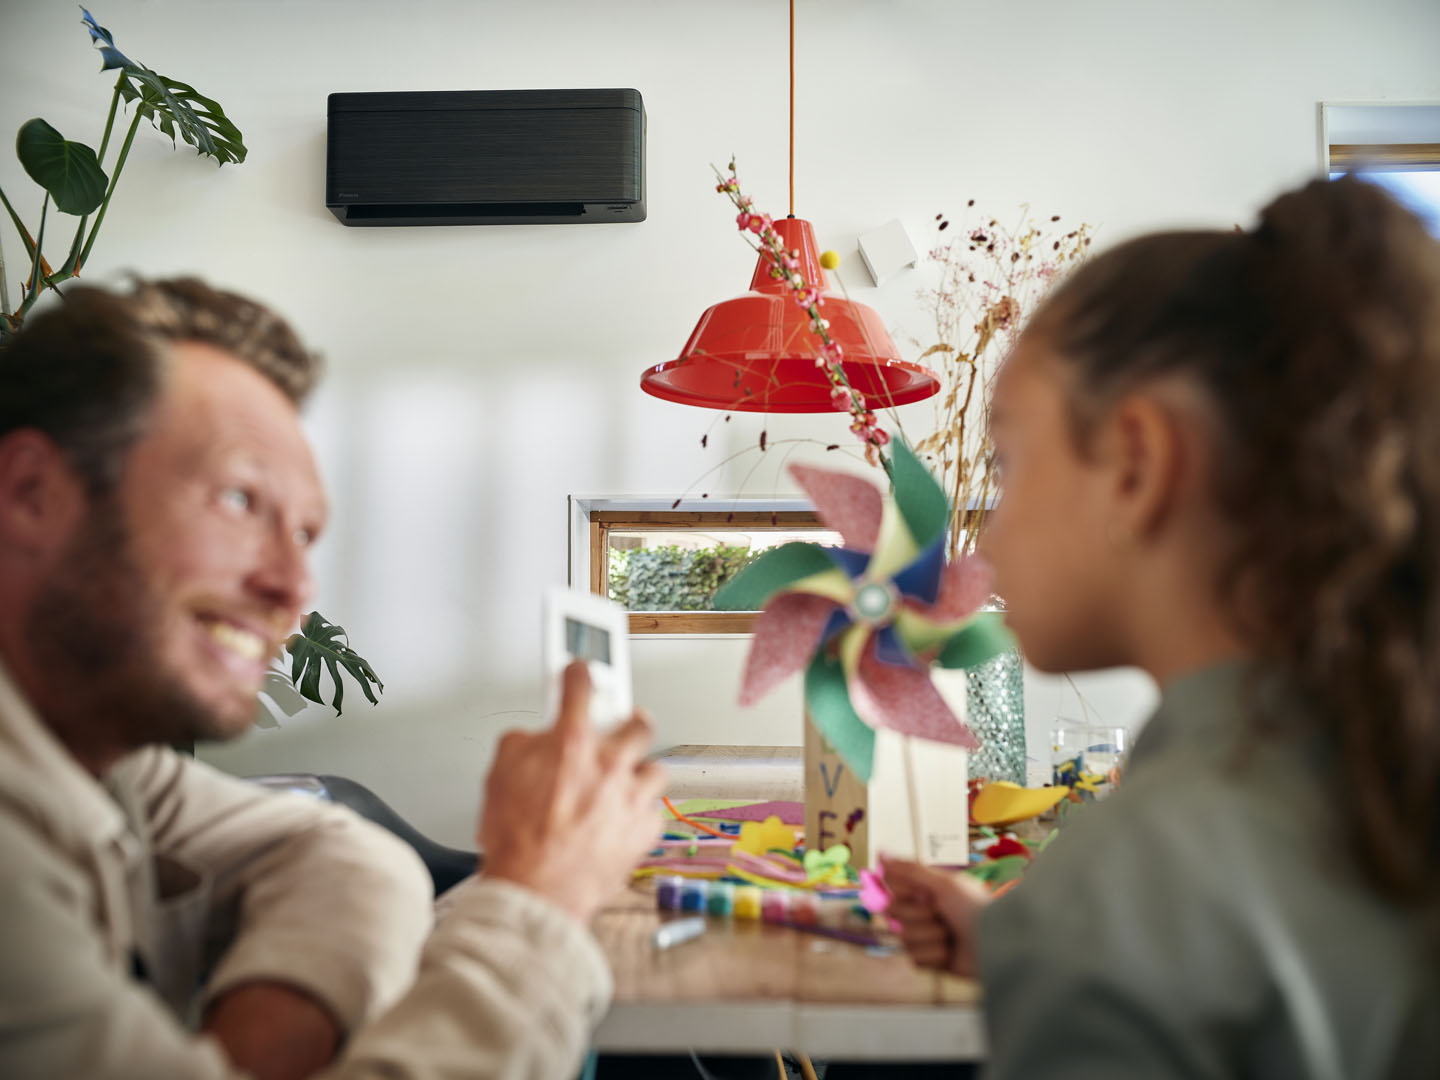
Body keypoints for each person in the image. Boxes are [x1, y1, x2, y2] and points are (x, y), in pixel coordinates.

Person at [0, 278, 666, 1080]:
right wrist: (538, 905)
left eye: (307, 532)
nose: (294, 585)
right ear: (31, 493)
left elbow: (348, 849)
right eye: (241, 500)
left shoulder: (107, 759)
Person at [884, 176, 1440, 1078]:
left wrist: (1080, 953)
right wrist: (1028, 947)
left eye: (1008, 461)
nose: (988, 528)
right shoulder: (1373, 778)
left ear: (1137, 464)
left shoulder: (1123, 898)